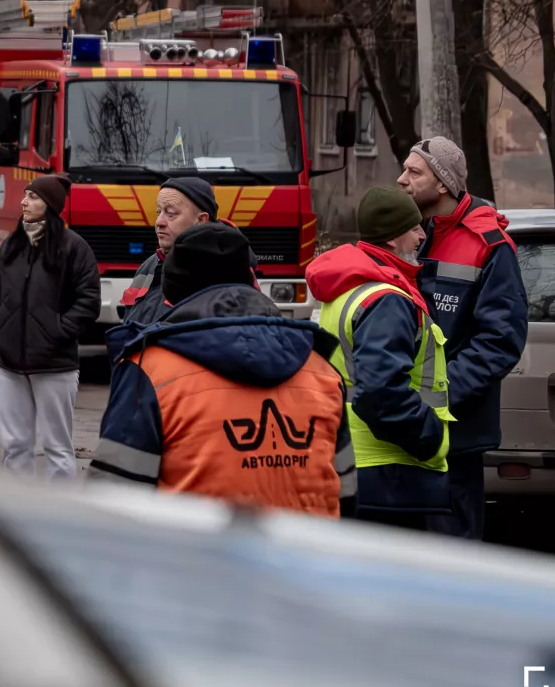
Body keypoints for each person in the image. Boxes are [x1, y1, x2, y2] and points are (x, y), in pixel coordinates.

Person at [92, 223, 354, 516]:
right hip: (306, 556)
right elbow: (346, 491)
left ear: (173, 291)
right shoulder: (320, 367)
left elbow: (114, 500)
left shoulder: (150, 369)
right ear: (249, 280)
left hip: (198, 558)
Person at [397, 136, 526, 540]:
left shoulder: (489, 247)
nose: (401, 180)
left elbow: (500, 341)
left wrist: (437, 393)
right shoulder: (418, 235)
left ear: (443, 185)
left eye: (413, 172)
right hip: (411, 426)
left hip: (456, 433)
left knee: (453, 551)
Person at [306, 188, 455, 527]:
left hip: (351, 463)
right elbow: (381, 393)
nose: (421, 235)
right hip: (390, 474)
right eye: (414, 228)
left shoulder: (346, 288)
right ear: (391, 238)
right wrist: (430, 438)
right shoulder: (386, 299)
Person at [0, 174, 100, 480]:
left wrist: (55, 333)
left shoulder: (74, 248)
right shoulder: (12, 245)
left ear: (51, 205)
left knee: (58, 448)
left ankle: (59, 516)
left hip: (54, 365)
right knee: (15, 446)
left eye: (33, 197)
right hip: (8, 363)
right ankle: (16, 511)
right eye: (25, 195)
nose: (23, 202)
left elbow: (88, 303)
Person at [117, 177, 249, 327]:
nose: (159, 222)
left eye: (171, 213)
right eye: (158, 212)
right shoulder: (149, 265)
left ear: (201, 221)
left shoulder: (228, 270)